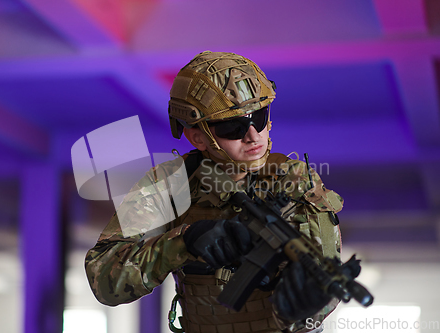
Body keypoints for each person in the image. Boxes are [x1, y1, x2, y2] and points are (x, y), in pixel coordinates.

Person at [85, 51, 345, 333]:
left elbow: (319, 299)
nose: (253, 136)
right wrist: (184, 242)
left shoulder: (295, 181)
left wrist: (302, 299)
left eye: (258, 117)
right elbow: (104, 278)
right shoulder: (171, 184)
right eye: (233, 126)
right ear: (198, 137)